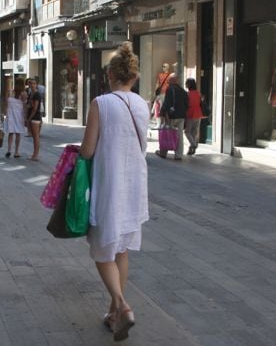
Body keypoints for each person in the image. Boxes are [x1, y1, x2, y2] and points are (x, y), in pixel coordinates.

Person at [79, 42, 148, 342]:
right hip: (134, 186)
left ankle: (122, 305)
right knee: (120, 249)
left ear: (110, 75)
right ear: (133, 77)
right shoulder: (142, 105)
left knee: (101, 250)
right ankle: (112, 314)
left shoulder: (100, 104)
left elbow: (87, 150)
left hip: (108, 185)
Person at [155, 73, 188, 160]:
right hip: (181, 116)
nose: (168, 80)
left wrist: (163, 114)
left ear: (174, 80)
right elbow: (187, 103)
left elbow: (167, 102)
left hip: (172, 115)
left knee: (167, 132)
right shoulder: (183, 90)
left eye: (169, 79)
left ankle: (163, 152)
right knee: (179, 136)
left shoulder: (170, 89)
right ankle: (178, 155)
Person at [4, 78, 27, 158]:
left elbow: (6, 104)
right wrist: (25, 117)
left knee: (10, 133)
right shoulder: (23, 94)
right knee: (18, 133)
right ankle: (16, 152)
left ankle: (9, 150)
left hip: (10, 114)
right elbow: (24, 106)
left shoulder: (10, 92)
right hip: (19, 115)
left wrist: (3, 114)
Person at [184, 78, 205, 156]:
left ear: (189, 84)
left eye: (186, 83)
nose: (185, 84)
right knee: (194, 132)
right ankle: (191, 150)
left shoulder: (188, 94)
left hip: (190, 114)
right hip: (198, 114)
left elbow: (187, 105)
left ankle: (193, 144)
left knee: (187, 132)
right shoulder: (198, 93)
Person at [25, 78, 43, 161]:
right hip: (31, 117)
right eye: (30, 83)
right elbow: (30, 105)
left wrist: (29, 118)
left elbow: (35, 108)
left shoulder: (36, 94)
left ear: (36, 85)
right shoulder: (30, 94)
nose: (32, 85)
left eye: (34, 83)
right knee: (34, 136)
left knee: (36, 136)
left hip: (35, 117)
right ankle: (34, 154)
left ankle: (35, 155)